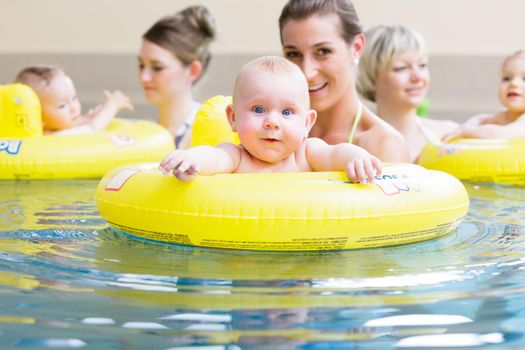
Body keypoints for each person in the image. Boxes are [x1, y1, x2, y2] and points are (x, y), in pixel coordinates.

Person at [159, 56, 382, 184]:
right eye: (258, 109)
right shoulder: (236, 157)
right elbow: (213, 157)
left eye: (287, 112)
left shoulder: (307, 154)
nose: (272, 122)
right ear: (233, 118)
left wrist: (357, 157)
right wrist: (190, 160)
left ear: (307, 123)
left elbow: (335, 154)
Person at [278, 0, 411, 162]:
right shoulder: (270, 132)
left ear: (356, 47)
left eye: (323, 51)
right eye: (293, 54)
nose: (307, 72)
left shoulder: (384, 146)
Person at [357, 24, 458, 162]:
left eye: (422, 65)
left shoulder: (448, 134)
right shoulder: (358, 145)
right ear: (371, 77)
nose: (417, 77)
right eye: (401, 68)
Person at [139, 5, 217, 149]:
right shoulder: (146, 133)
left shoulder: (210, 133)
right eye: (141, 65)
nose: (144, 77)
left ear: (193, 70)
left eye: (157, 67)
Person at [14, 65, 133, 135]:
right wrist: (112, 106)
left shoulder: (51, 128)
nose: (74, 108)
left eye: (74, 98)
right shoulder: (51, 138)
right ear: (37, 117)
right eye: (62, 106)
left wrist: (87, 118)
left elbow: (76, 125)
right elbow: (92, 129)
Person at [443, 50, 525, 141]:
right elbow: (480, 121)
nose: (514, 83)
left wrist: (466, 131)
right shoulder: (501, 116)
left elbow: (500, 134)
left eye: (524, 79)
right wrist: (464, 127)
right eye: (507, 78)